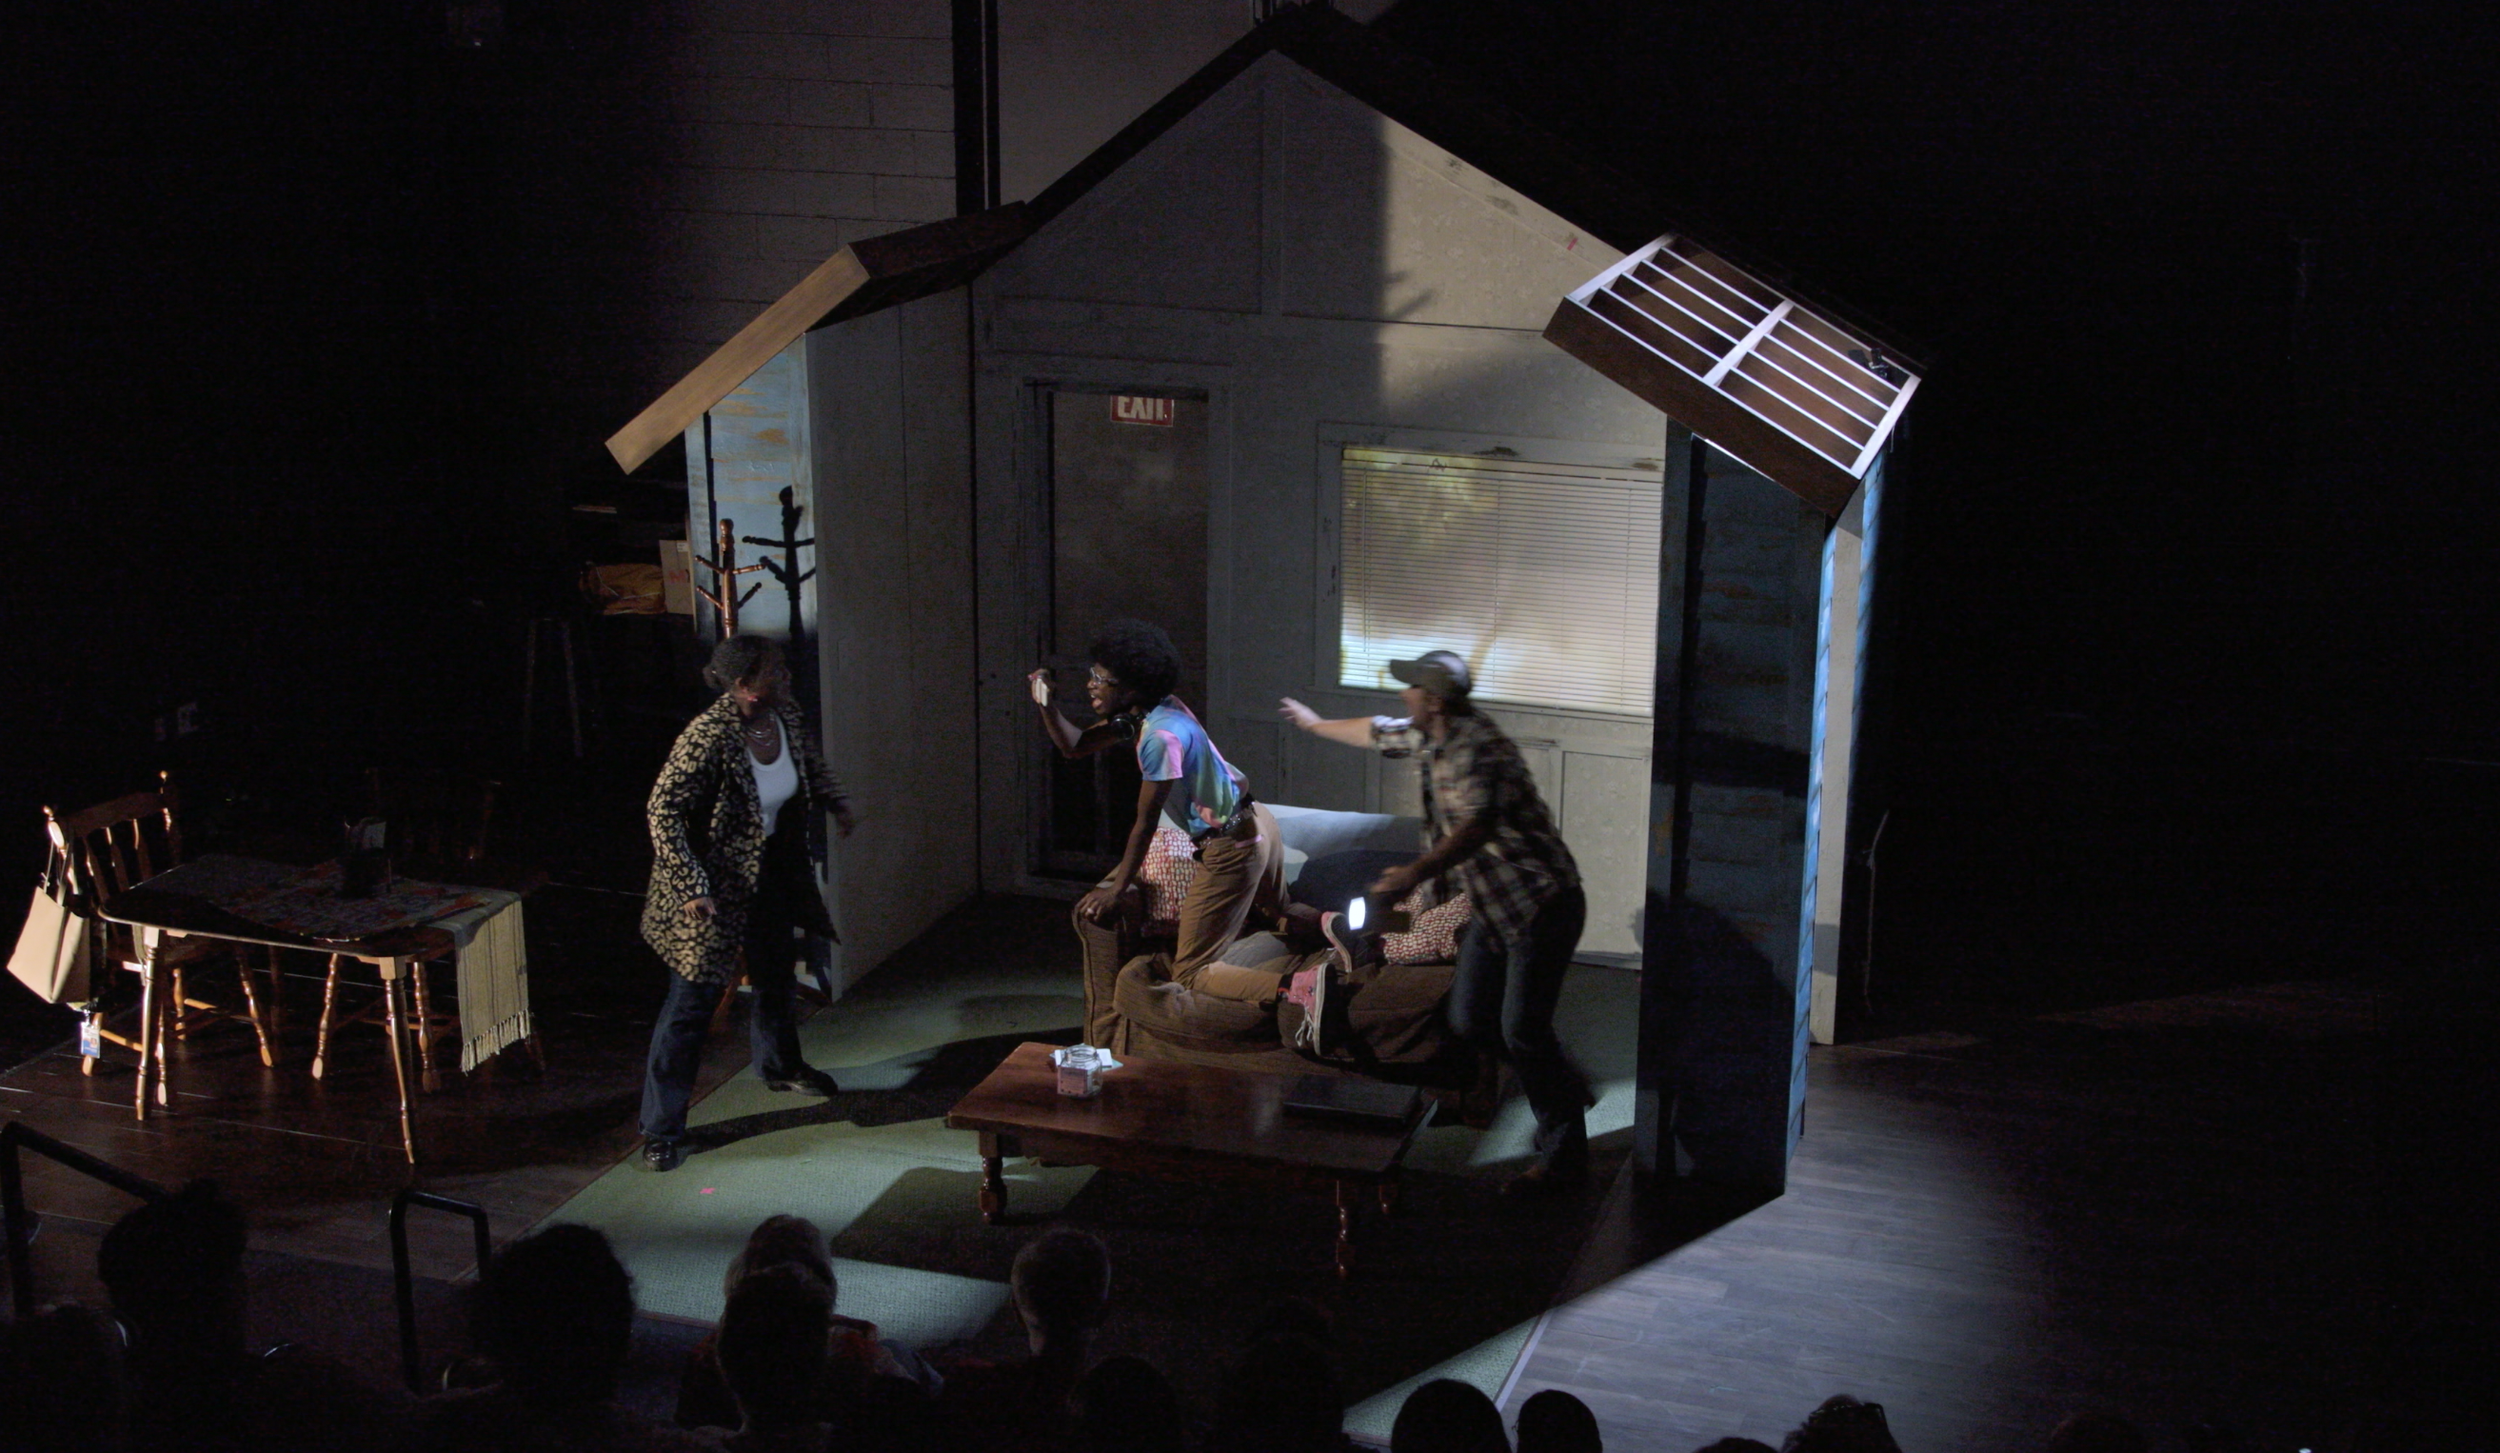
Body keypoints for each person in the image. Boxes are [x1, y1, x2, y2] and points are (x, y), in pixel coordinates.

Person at [1281, 650, 1593, 1194]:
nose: (1402, 697)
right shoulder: (1434, 734)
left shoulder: (1479, 749)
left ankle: (1564, 1150)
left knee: (1521, 1026)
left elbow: (1476, 826)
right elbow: (1375, 731)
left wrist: (1413, 874)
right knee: (1471, 1018)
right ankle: (1561, 1083)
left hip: (1542, 906)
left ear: (1434, 700)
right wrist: (1313, 723)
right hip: (1493, 908)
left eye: (1411, 690)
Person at [640, 635, 857, 1172]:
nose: (786, 677)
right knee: (690, 1009)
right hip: (712, 891)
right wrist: (691, 884)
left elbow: (809, 764)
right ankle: (661, 1128)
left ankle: (780, 1066)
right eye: (775, 671)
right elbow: (661, 811)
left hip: (769, 875)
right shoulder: (706, 737)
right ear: (742, 685)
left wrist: (837, 802)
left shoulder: (784, 714)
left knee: (776, 977)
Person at [1030, 619, 1286, 1005]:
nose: (1090, 684)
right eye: (1092, 674)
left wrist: (1116, 890)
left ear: (1131, 689)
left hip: (1232, 845)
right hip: (1254, 821)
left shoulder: (1160, 738)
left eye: (1101, 678)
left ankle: (1301, 990)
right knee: (1280, 915)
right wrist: (1046, 706)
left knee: (1192, 973)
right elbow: (1075, 746)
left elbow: (1145, 823)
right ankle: (1329, 931)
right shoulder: (1151, 712)